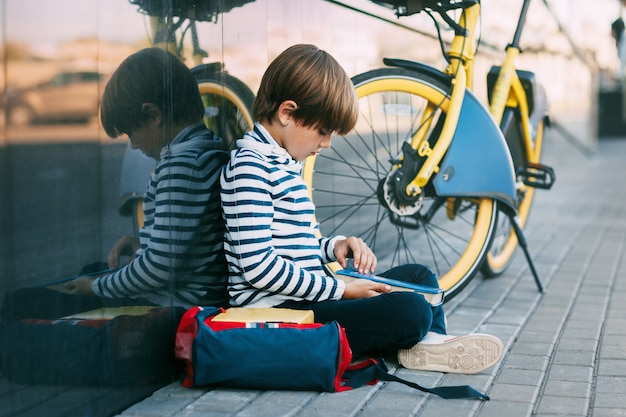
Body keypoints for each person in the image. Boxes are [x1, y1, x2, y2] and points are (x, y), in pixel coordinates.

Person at [220, 43, 503, 374]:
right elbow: (259, 267)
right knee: (410, 309)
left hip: (312, 294)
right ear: (287, 113)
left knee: (420, 278)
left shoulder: (285, 162)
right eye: (322, 131)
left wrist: (334, 246)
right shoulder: (249, 167)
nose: (326, 144)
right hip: (285, 311)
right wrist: (342, 289)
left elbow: (294, 248)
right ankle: (418, 340)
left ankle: (426, 346)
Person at [2, 47, 229, 319]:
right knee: (88, 270)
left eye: (132, 132)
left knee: (20, 302)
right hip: (178, 295)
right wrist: (142, 243)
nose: (133, 144)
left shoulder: (181, 167)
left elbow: (158, 268)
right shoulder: (206, 151)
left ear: (154, 114)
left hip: (169, 308)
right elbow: (181, 245)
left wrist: (97, 288)